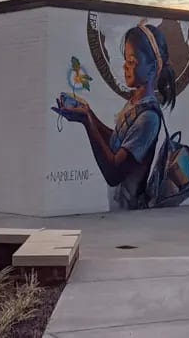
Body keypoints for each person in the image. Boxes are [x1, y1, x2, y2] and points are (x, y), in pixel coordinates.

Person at [52, 23, 177, 211]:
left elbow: (113, 173)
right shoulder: (135, 102)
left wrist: (88, 123)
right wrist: (89, 115)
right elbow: (119, 142)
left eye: (132, 62)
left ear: (151, 70)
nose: (125, 66)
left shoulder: (148, 118)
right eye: (126, 60)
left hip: (130, 214)